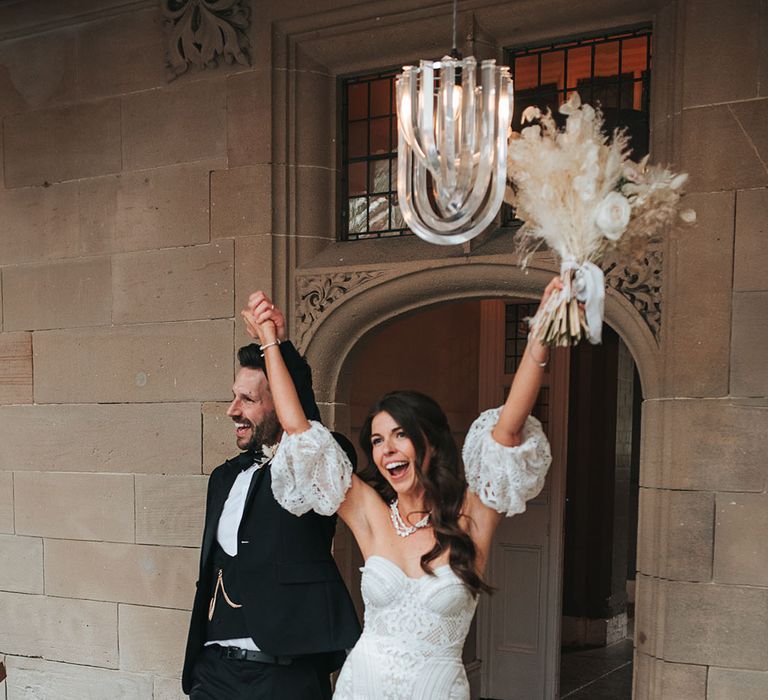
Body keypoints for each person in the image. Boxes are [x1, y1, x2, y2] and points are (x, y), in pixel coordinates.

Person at [243, 280, 558, 699]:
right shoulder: (370, 515)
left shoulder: (473, 516)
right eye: (376, 440)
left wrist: (539, 341)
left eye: (400, 435)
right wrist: (269, 342)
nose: (387, 449)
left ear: (428, 440)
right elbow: (298, 429)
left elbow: (508, 430)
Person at [182, 298, 361, 700]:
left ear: (280, 402)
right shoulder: (224, 478)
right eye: (234, 396)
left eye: (248, 399)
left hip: (286, 676)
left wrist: (275, 345)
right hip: (214, 673)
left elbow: (308, 435)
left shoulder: (314, 468)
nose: (232, 410)